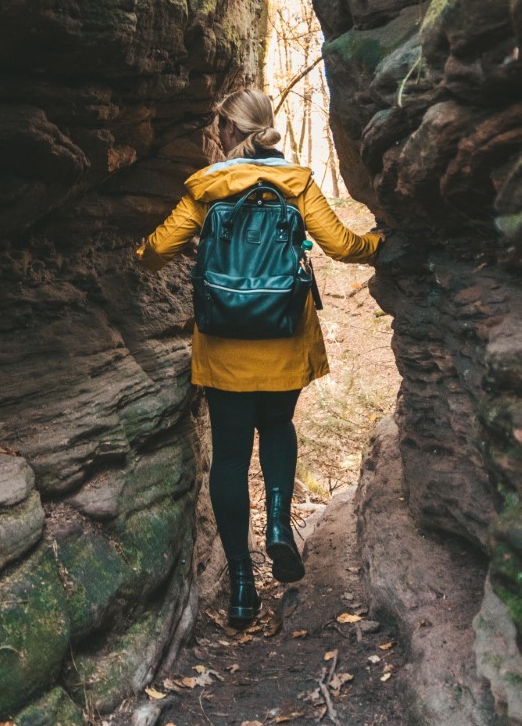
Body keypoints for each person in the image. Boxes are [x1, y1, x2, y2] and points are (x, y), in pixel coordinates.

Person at [136, 88, 382, 626]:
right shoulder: (295, 184)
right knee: (278, 426)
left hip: (225, 342)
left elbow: (155, 252)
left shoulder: (208, 188)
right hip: (284, 334)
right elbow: (340, 245)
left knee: (228, 456)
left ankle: (243, 587)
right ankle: (276, 524)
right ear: (264, 127)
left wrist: (160, 251)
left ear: (227, 130)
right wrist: (381, 245)